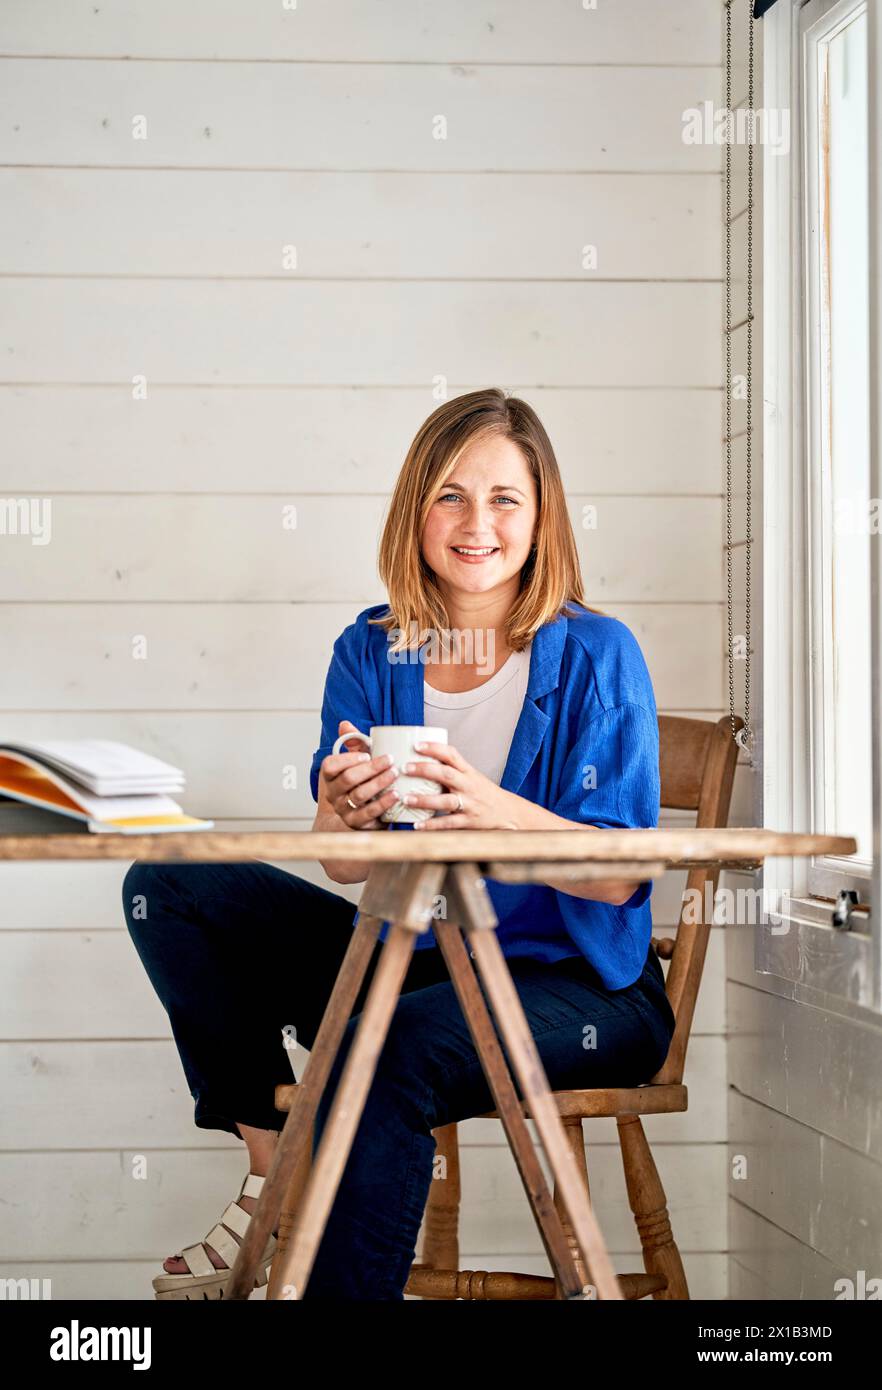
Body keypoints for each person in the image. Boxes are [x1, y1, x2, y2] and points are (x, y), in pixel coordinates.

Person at [122, 386, 676, 1301]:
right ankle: (272, 1164)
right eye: (450, 495)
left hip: (579, 986)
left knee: (378, 1050)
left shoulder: (596, 652)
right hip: (417, 956)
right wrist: (340, 809)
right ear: (415, 509)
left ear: (542, 519)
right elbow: (344, 865)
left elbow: (620, 881)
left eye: (505, 499)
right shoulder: (371, 650)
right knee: (169, 881)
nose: (476, 523)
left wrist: (491, 809)